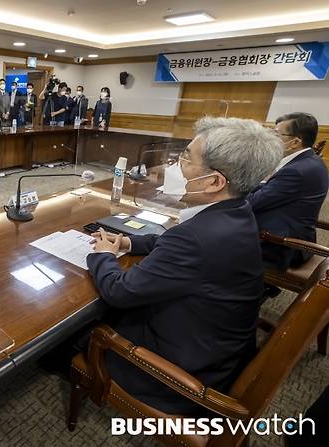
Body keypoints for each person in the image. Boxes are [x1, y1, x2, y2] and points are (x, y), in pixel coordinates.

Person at [84, 117, 282, 414]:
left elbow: (120, 291)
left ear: (215, 181)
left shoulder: (197, 239)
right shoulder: (235, 210)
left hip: (180, 372)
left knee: (80, 331)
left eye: (185, 159)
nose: (172, 166)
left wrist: (103, 254)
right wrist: (128, 243)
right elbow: (173, 241)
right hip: (216, 347)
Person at [247, 112, 328, 272]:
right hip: (290, 231)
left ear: (295, 142)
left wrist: (232, 186)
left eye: (276, 134)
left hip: (280, 245)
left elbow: (252, 203)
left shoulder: (296, 171)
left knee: (215, 236)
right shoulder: (309, 160)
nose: (271, 138)